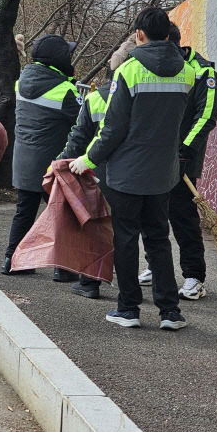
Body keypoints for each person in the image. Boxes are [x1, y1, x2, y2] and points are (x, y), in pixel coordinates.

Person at [69, 7, 195, 330]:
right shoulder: (186, 72)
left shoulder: (129, 70)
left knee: (125, 239)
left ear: (139, 34)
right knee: (159, 239)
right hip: (163, 174)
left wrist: (88, 159)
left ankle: (128, 309)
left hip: (126, 174)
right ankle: (170, 312)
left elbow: (113, 129)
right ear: (167, 34)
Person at [138, 22, 217, 300]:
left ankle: (194, 276)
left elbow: (206, 116)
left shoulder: (203, 72)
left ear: (170, 44)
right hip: (154, 155)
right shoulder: (154, 67)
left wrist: (185, 149)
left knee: (182, 215)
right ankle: (156, 266)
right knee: (151, 213)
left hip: (184, 157)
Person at [58, 36, 136, 298]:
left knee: (95, 229)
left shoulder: (95, 98)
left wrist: (60, 162)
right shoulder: (146, 97)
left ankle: (90, 282)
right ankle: (132, 287)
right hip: (135, 173)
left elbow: (78, 139)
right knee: (130, 232)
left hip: (97, 172)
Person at [2, 34, 81, 275]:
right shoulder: (65, 89)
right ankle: (63, 269)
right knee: (62, 214)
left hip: (23, 160)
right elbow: (81, 122)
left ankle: (13, 262)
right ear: (59, 60)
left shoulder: (22, 82)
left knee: (24, 211)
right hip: (51, 164)